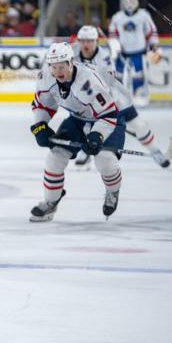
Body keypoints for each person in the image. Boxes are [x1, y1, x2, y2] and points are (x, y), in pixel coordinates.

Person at [30, 42, 125, 222]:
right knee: (55, 156)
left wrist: (97, 135)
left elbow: (108, 115)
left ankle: (113, 191)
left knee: (105, 160)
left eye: (62, 66)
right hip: (78, 119)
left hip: (109, 117)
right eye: (54, 66)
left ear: (70, 62)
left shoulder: (87, 82)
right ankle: (51, 201)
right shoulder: (46, 77)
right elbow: (42, 105)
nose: (58, 71)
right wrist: (40, 126)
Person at [72, 25, 171, 168]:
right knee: (85, 124)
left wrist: (111, 115)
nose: (86, 44)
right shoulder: (72, 52)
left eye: (90, 41)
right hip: (85, 98)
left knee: (139, 125)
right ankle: (86, 151)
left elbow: (108, 88)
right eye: (83, 41)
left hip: (113, 98)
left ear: (96, 42)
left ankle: (155, 152)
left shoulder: (104, 59)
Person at [108, 0, 160, 106]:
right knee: (118, 74)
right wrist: (115, 46)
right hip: (122, 52)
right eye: (127, 3)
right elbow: (113, 34)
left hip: (139, 50)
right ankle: (119, 96)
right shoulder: (117, 17)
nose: (129, 5)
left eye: (132, 3)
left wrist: (154, 44)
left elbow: (151, 30)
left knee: (139, 74)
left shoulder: (144, 15)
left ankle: (138, 94)